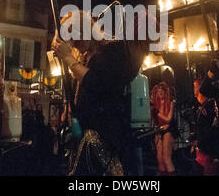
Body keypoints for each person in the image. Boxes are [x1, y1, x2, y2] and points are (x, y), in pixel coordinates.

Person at [51, 10, 147, 176]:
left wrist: (68, 57)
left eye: (75, 35)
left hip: (104, 133)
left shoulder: (111, 51)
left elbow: (96, 81)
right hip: (86, 131)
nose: (74, 43)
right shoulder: (85, 57)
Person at [150, 82, 176, 176]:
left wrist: (158, 113)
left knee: (166, 158)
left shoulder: (170, 103)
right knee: (160, 159)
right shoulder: (156, 105)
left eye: (162, 92)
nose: (160, 94)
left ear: (165, 93)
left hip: (168, 130)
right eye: (158, 92)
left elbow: (168, 119)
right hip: (158, 130)